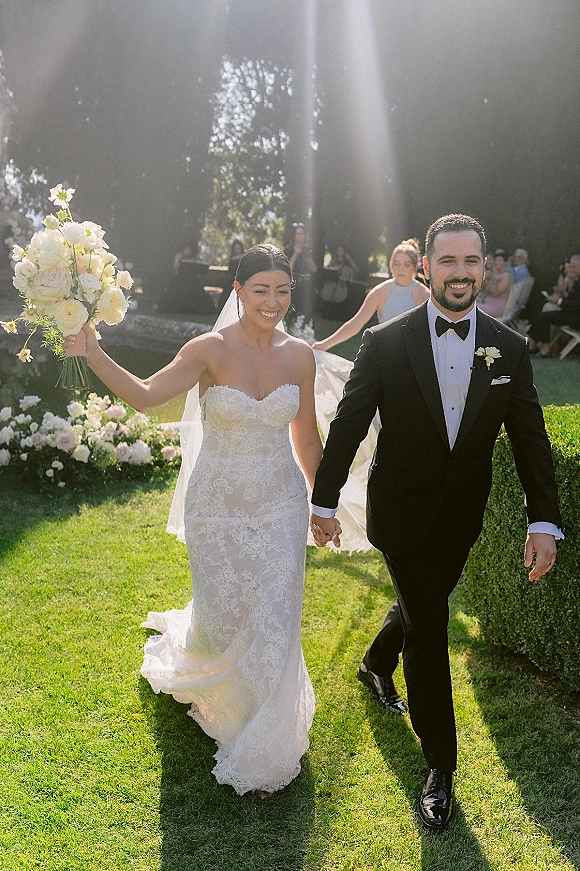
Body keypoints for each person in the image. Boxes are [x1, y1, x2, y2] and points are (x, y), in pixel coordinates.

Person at [309, 214, 562, 830]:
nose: (460, 273)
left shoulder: (509, 346)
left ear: (485, 267)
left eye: (471, 261)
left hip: (461, 518)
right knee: (431, 623)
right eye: (446, 261)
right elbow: (347, 424)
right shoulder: (387, 342)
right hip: (397, 512)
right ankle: (440, 767)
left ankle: (373, 663)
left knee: (421, 605)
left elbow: (530, 441)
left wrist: (544, 522)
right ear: (425, 267)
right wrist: (323, 501)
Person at [65, 244, 322, 796]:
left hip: (281, 504)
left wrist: (321, 504)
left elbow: (307, 439)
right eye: (261, 290)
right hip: (217, 509)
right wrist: (93, 351)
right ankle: (216, 685)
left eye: (282, 290)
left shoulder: (300, 355)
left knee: (276, 618)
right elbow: (146, 395)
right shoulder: (207, 348)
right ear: (238, 291)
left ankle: (265, 736)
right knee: (224, 615)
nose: (272, 301)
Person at [312, 238, 430, 352]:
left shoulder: (425, 295)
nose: (401, 269)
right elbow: (355, 324)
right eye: (397, 263)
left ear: (415, 266)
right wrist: (324, 344)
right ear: (391, 265)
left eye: (407, 264)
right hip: (384, 354)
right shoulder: (380, 292)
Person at [528, 254, 580, 357]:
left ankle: (542, 348)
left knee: (544, 317)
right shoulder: (576, 281)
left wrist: (559, 301)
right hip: (573, 314)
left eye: (574, 267)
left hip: (576, 318)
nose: (570, 270)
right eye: (570, 267)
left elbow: (577, 306)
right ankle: (534, 345)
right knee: (544, 315)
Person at [285, 223, 317, 322]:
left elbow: (314, 269)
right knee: (292, 313)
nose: (300, 236)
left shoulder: (309, 250)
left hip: (306, 284)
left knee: (307, 312)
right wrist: (295, 253)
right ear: (293, 236)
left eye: (302, 234)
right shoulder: (288, 249)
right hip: (293, 285)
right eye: (297, 234)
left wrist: (307, 257)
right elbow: (288, 269)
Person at [477, 248, 512, 318]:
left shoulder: (506, 277)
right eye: (495, 260)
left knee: (469, 309)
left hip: (496, 307)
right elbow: (481, 289)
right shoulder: (493, 274)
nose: (497, 262)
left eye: (500, 260)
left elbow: (495, 293)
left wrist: (489, 279)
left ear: (505, 263)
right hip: (486, 303)